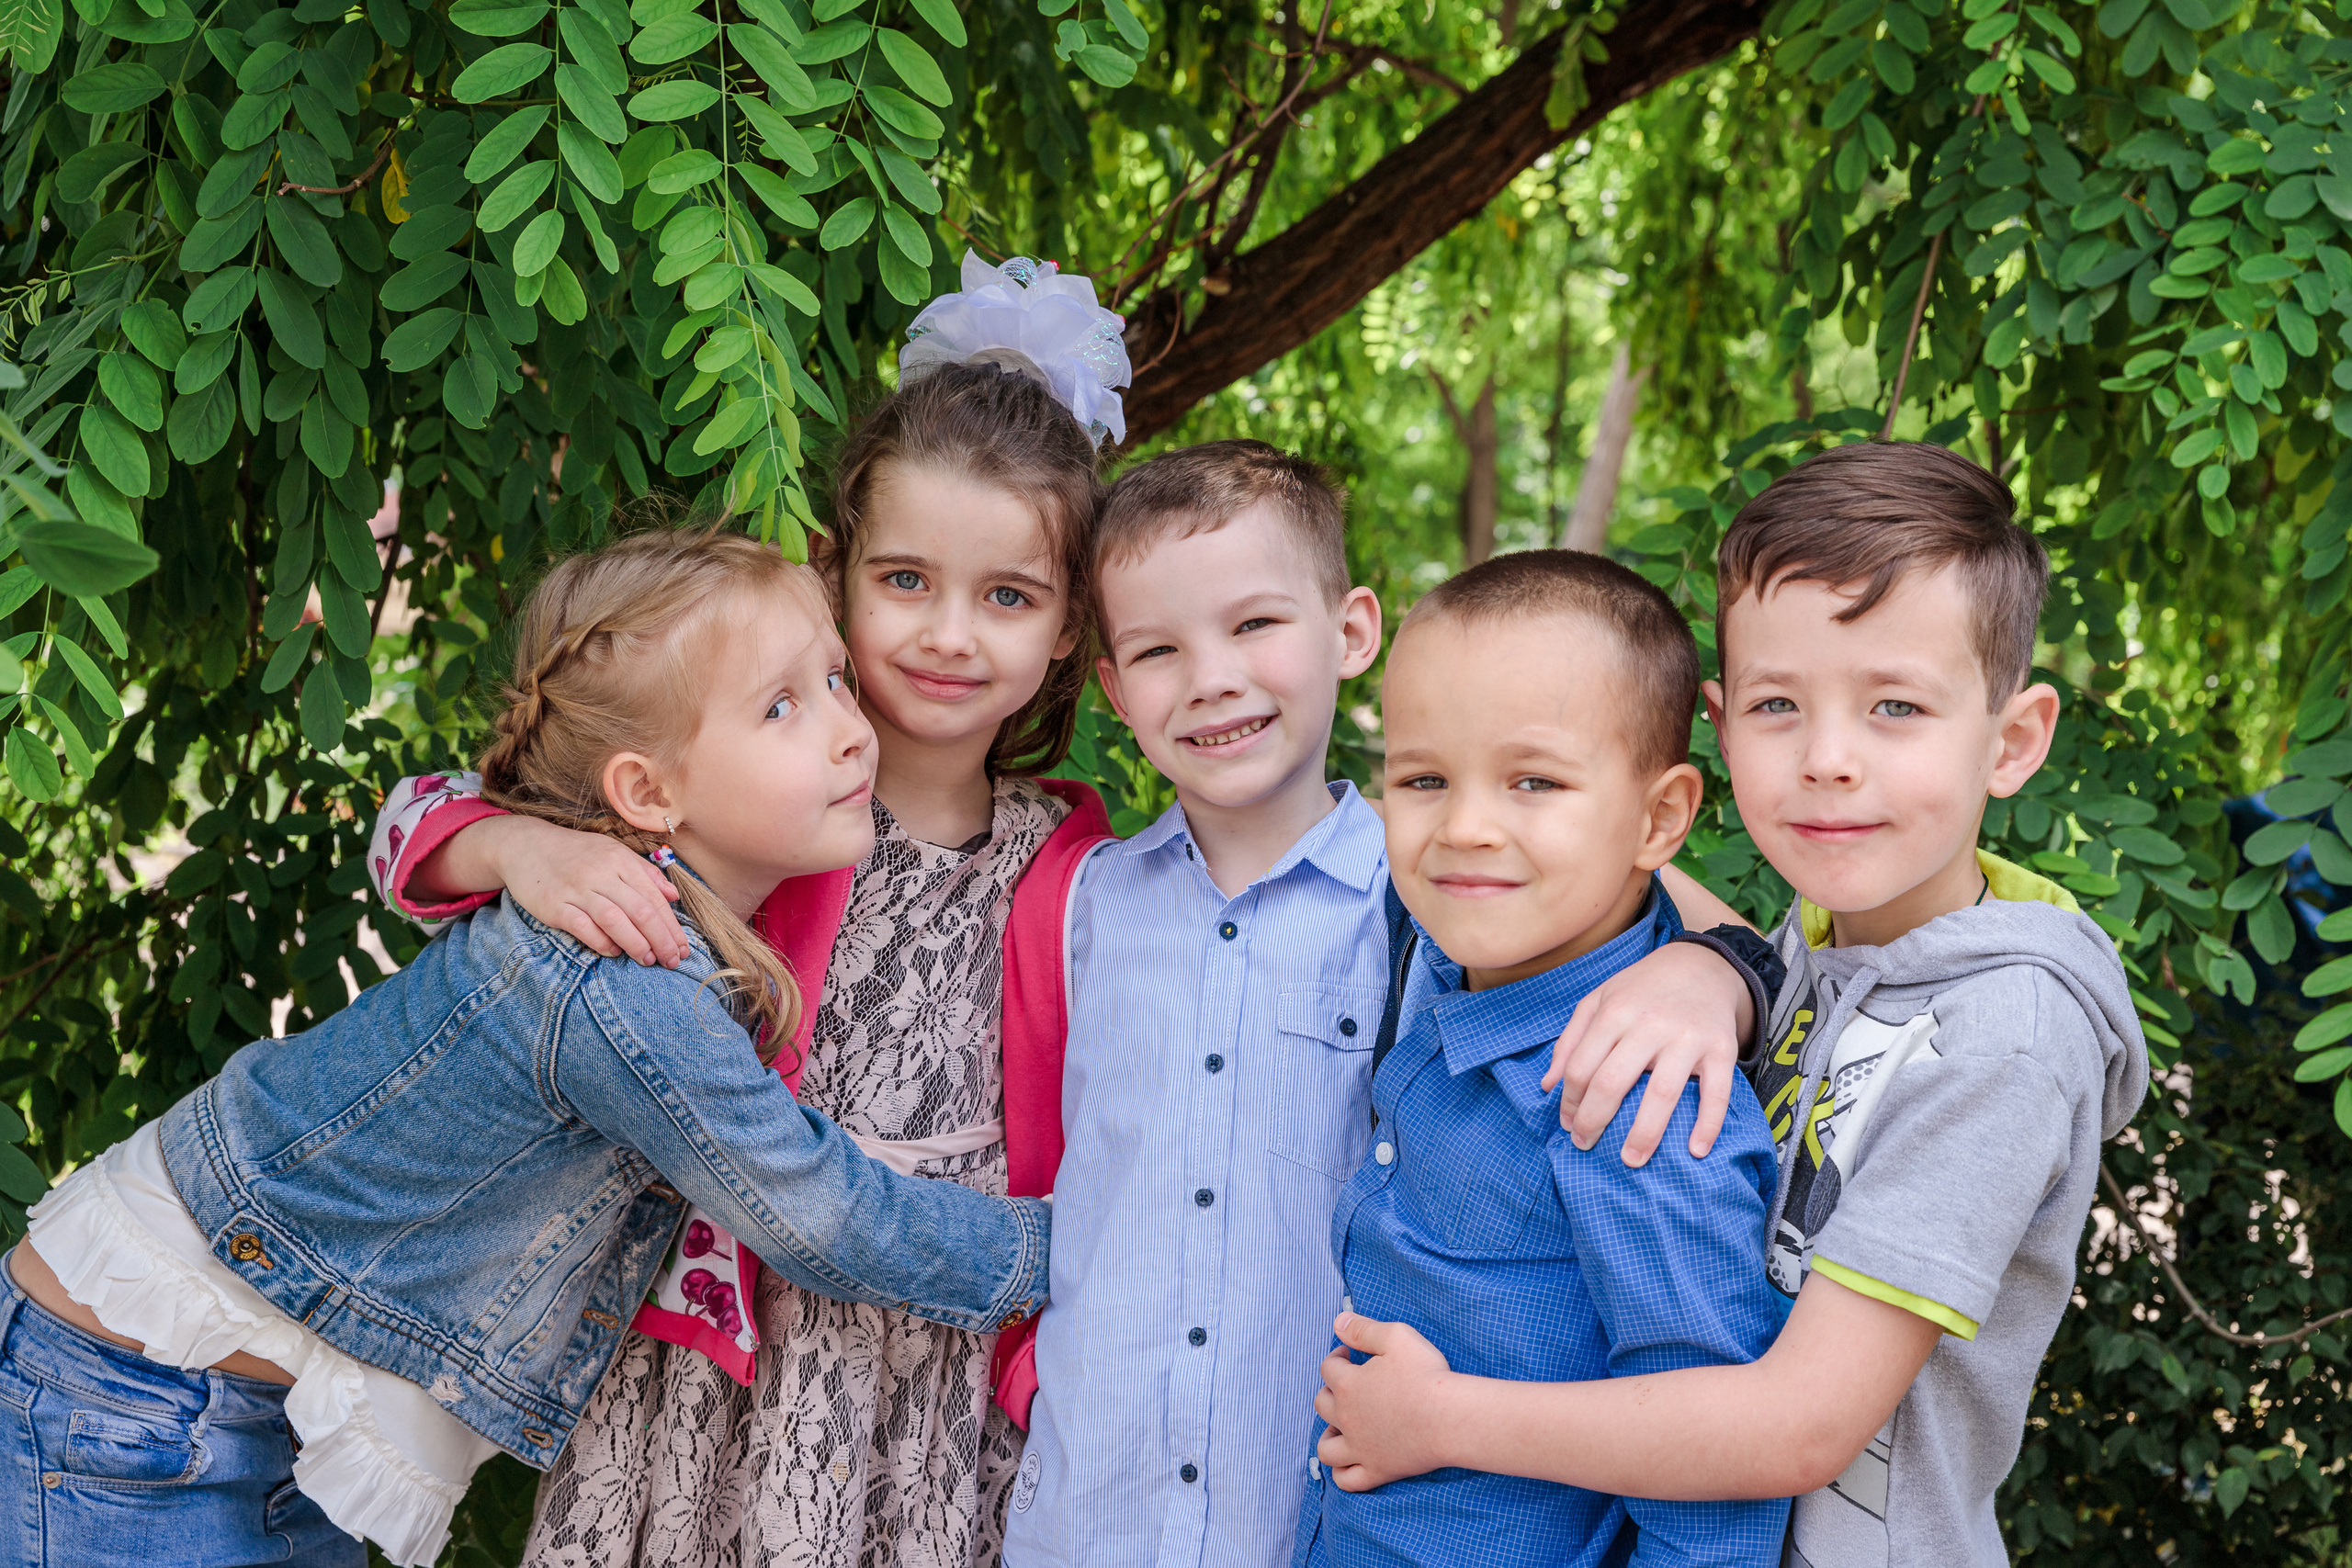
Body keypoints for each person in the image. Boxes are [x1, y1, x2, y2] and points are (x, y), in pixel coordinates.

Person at [0, 528, 1052, 1568]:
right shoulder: (625, 985)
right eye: (781, 706)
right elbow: (827, 1215)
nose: (848, 730)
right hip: (131, 1399)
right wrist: (1080, 1250)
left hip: (240, 1399)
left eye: (833, 678)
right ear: (646, 794)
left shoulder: (652, 901)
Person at [365, 254, 1128, 1567]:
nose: (949, 632)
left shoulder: (1081, 865)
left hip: (940, 1380)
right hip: (718, 1350)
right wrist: (517, 847)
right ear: (836, 570)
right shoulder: (748, 787)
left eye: (1008, 595)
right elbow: (412, 819)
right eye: (904, 580)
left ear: (1068, 627)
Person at [1307, 443, 2151, 1568]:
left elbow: (1792, 1427)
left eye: (1895, 706)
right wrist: (1718, 972)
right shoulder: (1820, 939)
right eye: (1776, 706)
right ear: (1719, 721)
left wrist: (1444, 1418)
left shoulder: (2001, 1040)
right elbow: (1616, 871)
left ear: (2011, 741)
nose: (1829, 760)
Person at [1002, 451, 1778, 1568]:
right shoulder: (1079, 899)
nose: (1212, 678)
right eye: (1161, 649)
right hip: (1091, 1512)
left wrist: (1717, 973)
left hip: (1290, 1515)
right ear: (1114, 688)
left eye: (1254, 624)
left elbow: (1673, 911)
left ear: (1350, 633)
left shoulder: (1427, 901)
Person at [1290, 549, 1790, 1568]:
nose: (1465, 828)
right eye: (1424, 778)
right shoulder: (1444, 963)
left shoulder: (1634, 1097)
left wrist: (1714, 974)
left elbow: (1715, 1514)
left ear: (1659, 819)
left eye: (1534, 781)